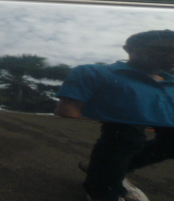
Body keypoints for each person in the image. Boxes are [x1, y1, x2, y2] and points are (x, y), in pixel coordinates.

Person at [54, 29, 174, 201]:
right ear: (129, 49)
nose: (171, 55)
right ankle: (102, 189)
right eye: (164, 49)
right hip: (117, 136)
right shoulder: (94, 72)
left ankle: (103, 171)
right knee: (127, 131)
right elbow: (67, 110)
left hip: (141, 137)